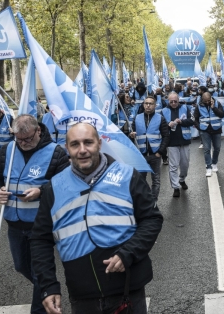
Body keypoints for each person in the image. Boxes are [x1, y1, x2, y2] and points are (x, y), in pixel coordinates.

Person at [31, 122, 163, 314]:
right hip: (82, 295)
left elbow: (152, 219)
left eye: (88, 142)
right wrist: (48, 285)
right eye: (75, 144)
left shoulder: (127, 175)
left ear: (99, 144)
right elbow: (40, 240)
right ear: (67, 148)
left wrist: (128, 253)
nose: (82, 150)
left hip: (127, 288)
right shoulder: (53, 187)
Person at [0, 115, 69, 313]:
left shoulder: (56, 152)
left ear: (38, 131)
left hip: (40, 226)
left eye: (27, 139)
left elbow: (65, 184)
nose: (23, 143)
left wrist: (41, 191)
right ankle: (45, 288)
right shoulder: (8, 149)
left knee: (39, 271)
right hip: (14, 223)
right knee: (21, 267)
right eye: (19, 139)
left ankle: (42, 304)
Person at [130, 96, 170, 201]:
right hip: (141, 154)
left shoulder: (160, 118)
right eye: (146, 103)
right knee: (141, 180)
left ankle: (153, 201)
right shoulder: (137, 117)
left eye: (150, 103)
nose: (148, 105)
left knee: (156, 180)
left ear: (155, 105)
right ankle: (145, 200)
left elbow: (166, 136)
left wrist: (160, 152)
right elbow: (131, 134)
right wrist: (132, 134)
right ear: (143, 105)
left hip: (155, 154)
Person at [162, 92, 194, 197]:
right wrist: (168, 125)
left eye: (175, 101)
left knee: (185, 164)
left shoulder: (185, 108)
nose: (174, 103)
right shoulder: (164, 111)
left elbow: (192, 121)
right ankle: (175, 187)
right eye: (171, 101)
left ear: (178, 99)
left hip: (184, 141)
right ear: (168, 101)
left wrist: (181, 122)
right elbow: (161, 127)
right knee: (173, 166)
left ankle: (182, 179)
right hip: (171, 142)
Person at [194, 92, 224, 177]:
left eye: (208, 100)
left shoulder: (217, 103)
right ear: (202, 99)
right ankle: (208, 167)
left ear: (211, 98)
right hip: (205, 130)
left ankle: (214, 163)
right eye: (205, 101)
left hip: (216, 129)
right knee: (207, 149)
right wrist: (199, 127)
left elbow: (222, 114)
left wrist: (213, 107)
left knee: (217, 148)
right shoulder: (199, 106)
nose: (207, 102)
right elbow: (195, 118)